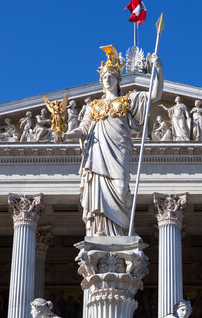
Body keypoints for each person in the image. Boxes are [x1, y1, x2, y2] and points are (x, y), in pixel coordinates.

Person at [59, 45, 163, 236]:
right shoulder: (93, 106)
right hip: (97, 154)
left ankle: (120, 235)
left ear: (118, 80)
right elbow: (82, 129)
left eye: (111, 77)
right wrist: (63, 135)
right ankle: (100, 232)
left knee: (122, 188)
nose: (107, 80)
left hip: (118, 152)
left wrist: (159, 70)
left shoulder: (127, 101)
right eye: (104, 77)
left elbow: (155, 95)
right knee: (98, 192)